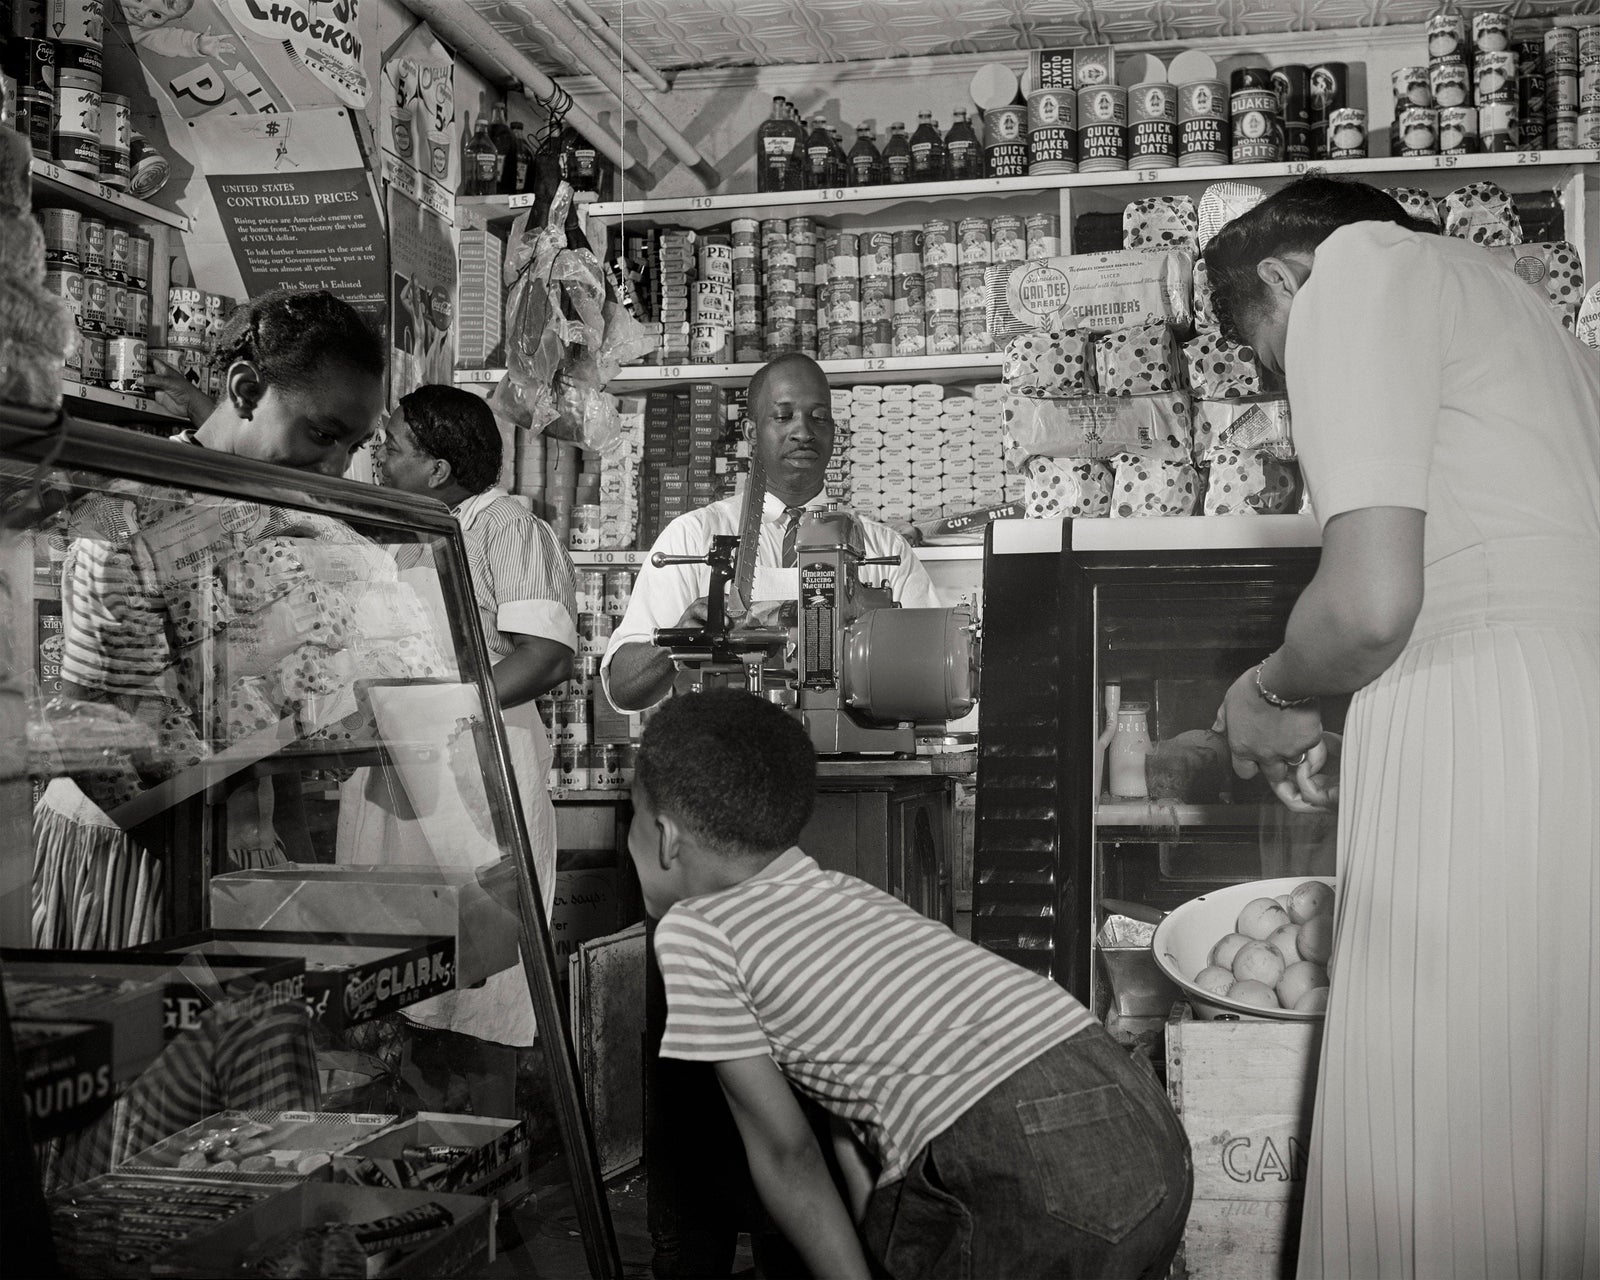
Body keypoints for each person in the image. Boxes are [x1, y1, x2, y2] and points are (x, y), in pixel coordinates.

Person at [1204, 176, 1599, 1278]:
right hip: (1573, 710)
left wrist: (1270, 692)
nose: (1288, 396)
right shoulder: (1529, 313)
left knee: (1436, 1130)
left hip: (1478, 708)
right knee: (1550, 1116)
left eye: (1272, 362)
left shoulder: (1358, 270)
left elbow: (1371, 604)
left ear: (1282, 278)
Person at [631, 689, 1192, 1280]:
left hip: (1015, 1148)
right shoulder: (843, 894)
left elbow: (785, 1155)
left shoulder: (695, 929)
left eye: (632, 818)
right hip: (1139, 1118)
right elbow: (852, 1120)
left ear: (666, 835)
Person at [341, 384, 576, 1111]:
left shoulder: (505, 528)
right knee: (407, 974)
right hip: (408, 777)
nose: (378, 455)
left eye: (394, 446)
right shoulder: (409, 527)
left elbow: (545, 654)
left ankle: (484, 1168)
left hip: (478, 776)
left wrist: (446, 708)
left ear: (439, 470)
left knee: (482, 981)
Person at [602, 352, 939, 713]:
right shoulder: (694, 536)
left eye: (819, 417)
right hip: (728, 758)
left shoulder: (885, 548)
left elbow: (935, 674)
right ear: (751, 432)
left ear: (833, 430)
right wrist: (678, 644)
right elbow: (623, 688)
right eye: (783, 416)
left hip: (855, 760)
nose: (804, 432)